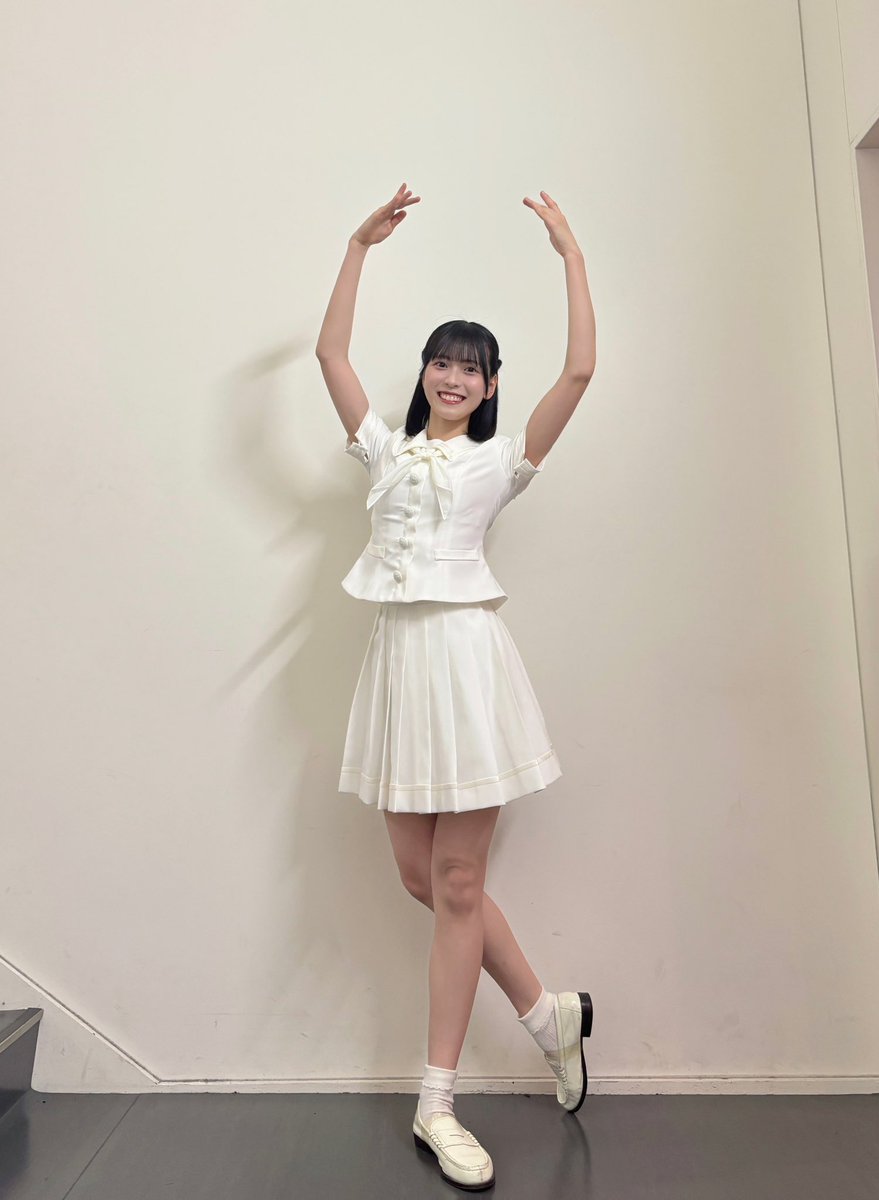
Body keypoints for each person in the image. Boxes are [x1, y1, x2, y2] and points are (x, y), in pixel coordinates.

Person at [315, 183, 596, 1191]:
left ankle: (434, 1101)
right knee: (422, 879)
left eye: (471, 368)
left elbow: (579, 370)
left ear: (487, 388)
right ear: (426, 374)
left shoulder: (501, 463)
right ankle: (547, 1017)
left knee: (460, 885)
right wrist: (358, 245)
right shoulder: (384, 454)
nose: (453, 376)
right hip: (398, 670)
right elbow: (330, 356)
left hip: (466, 666)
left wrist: (569, 255)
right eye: (443, 361)